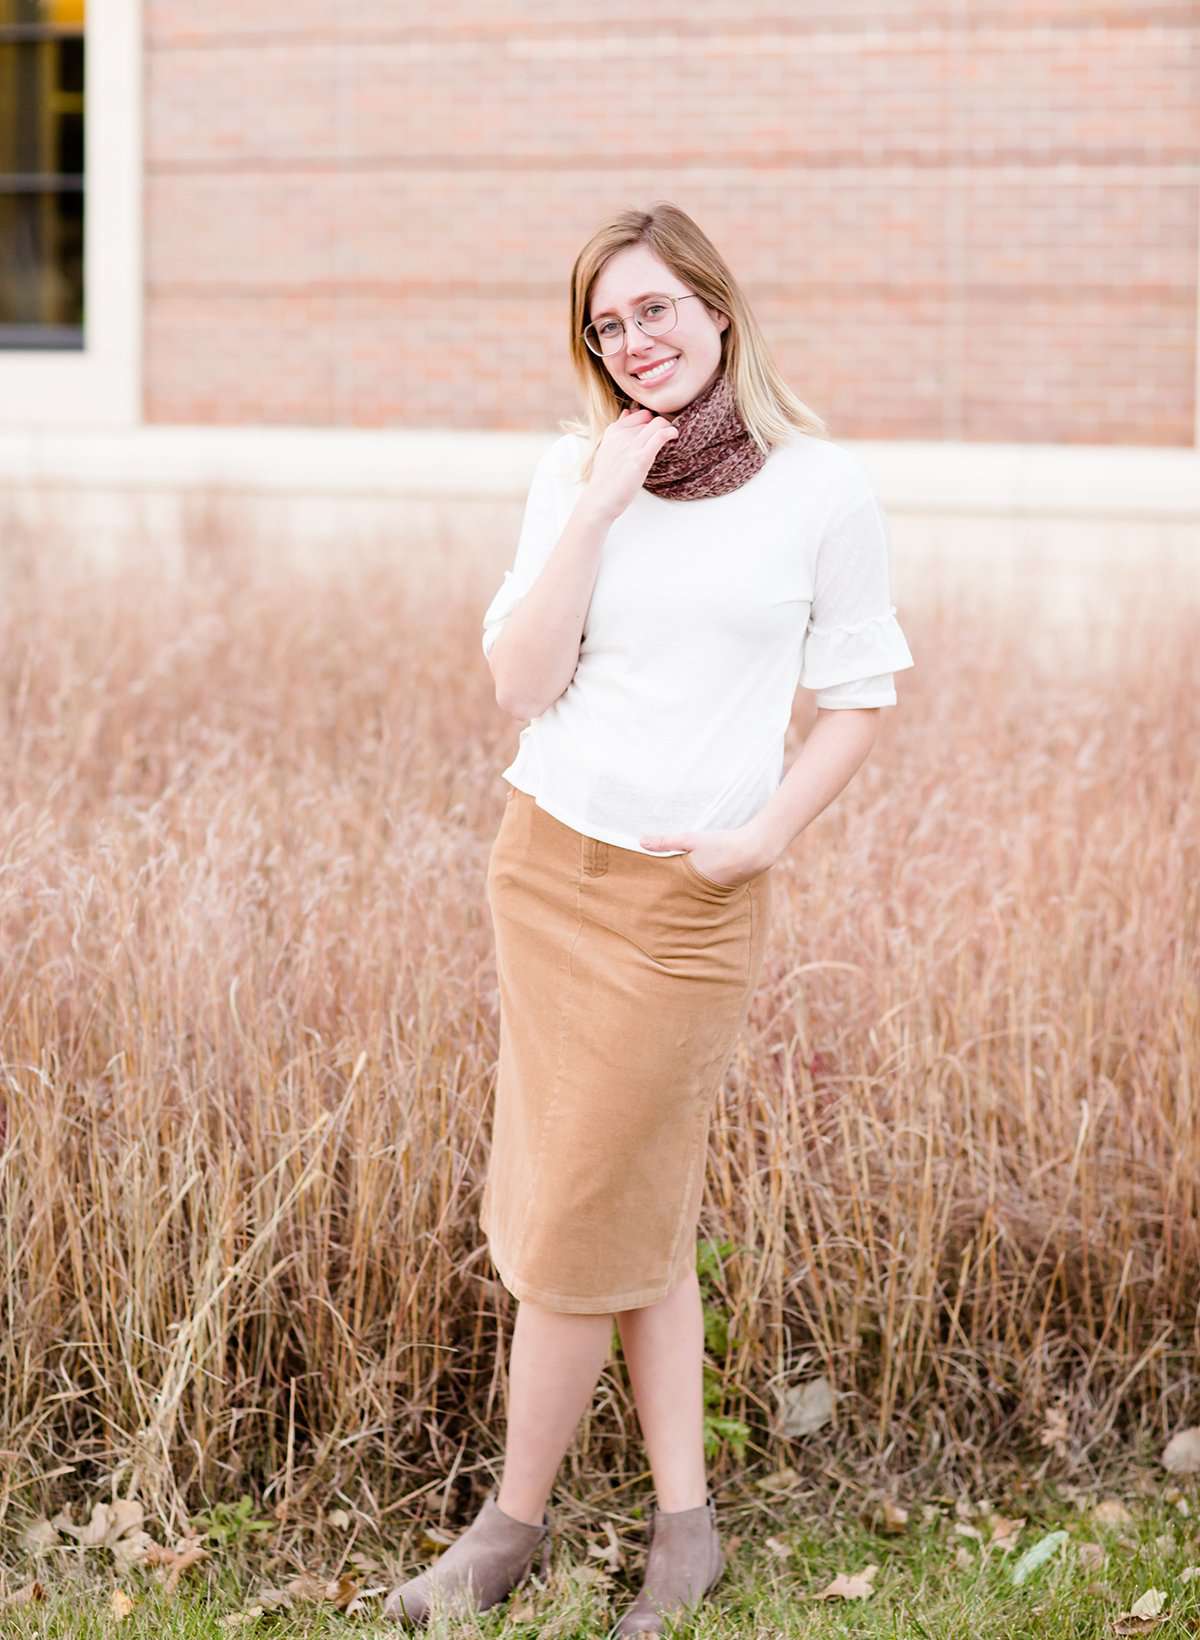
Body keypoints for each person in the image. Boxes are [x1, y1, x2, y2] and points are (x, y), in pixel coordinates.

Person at [383, 201, 915, 1635]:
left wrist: (762, 837)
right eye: (610, 326)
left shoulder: (820, 490)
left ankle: (510, 1526)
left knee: (572, 1218)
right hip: (547, 868)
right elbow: (517, 680)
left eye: (659, 311)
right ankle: (687, 1528)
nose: (639, 343)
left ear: (720, 310)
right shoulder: (575, 472)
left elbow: (861, 694)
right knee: (627, 1203)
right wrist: (605, 501)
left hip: (693, 900)